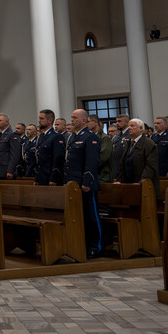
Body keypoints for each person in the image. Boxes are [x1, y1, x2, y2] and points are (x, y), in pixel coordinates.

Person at [65, 109, 102, 258]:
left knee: (91, 216)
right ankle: (83, 244)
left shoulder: (90, 137)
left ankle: (96, 246)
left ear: (83, 120)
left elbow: (92, 162)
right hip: (73, 183)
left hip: (85, 184)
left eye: (75, 118)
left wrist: (87, 181)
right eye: (72, 117)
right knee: (78, 216)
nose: (72, 120)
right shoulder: (73, 137)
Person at [115, 118, 160, 192]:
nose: (129, 128)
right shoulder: (128, 143)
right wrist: (119, 180)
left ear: (141, 128)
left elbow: (150, 167)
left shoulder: (149, 144)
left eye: (132, 126)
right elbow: (122, 164)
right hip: (127, 184)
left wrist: (141, 182)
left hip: (142, 185)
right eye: (129, 126)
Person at [33, 111, 65, 186]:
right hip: (42, 176)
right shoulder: (42, 136)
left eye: (41, 118)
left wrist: (54, 178)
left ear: (50, 121)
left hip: (50, 176)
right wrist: (37, 178)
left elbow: (58, 159)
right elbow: (39, 159)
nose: (39, 121)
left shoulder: (56, 136)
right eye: (39, 118)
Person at [0, 113, 22, 179]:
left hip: (6, 169)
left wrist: (10, 170)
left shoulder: (12, 134)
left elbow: (15, 154)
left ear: (6, 122)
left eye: (0, 121)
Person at [88, 115, 113, 185]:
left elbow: (103, 157)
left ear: (95, 122)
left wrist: (89, 166)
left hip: (103, 176)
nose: (86, 124)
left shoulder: (104, 138)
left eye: (88, 122)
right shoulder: (89, 137)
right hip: (93, 175)